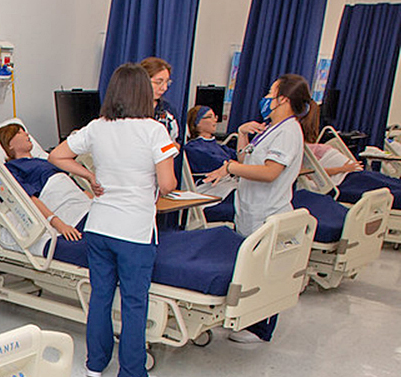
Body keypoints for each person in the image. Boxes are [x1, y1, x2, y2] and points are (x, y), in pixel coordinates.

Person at [48, 63, 177, 377]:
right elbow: (167, 183)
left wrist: (90, 176)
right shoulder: (154, 130)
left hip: (100, 225)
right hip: (133, 229)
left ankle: (95, 364)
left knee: (101, 295)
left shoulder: (98, 127)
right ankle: (132, 375)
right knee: (134, 300)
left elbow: (57, 156)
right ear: (144, 93)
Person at [203, 73, 313, 344]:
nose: (266, 98)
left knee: (265, 271)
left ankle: (259, 329)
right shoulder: (272, 128)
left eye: (270, 94)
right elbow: (246, 157)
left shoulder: (289, 131)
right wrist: (241, 134)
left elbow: (270, 172)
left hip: (269, 210)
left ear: (283, 99)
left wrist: (229, 168)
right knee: (251, 268)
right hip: (251, 208)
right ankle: (245, 320)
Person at [0, 123, 89, 243]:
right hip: (63, 206)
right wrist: (59, 224)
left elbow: (78, 187)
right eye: (19, 132)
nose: (26, 134)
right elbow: (27, 198)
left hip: (81, 201)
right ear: (9, 145)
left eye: (24, 131)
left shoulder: (44, 161)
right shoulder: (11, 168)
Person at [298, 105, 401, 208]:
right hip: (344, 181)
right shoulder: (303, 150)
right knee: (390, 192)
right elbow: (312, 173)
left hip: (356, 174)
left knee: (391, 182)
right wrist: (343, 168)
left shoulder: (310, 147)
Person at [141, 57, 180, 142]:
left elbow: (175, 144)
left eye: (167, 82)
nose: (164, 88)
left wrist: (161, 152)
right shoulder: (128, 109)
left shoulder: (168, 111)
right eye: (158, 82)